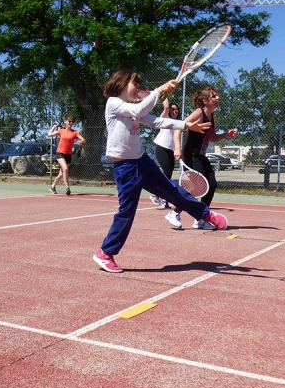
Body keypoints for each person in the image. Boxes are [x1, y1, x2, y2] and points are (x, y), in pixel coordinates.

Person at [93, 70, 228, 273]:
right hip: (126, 168)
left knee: (171, 189)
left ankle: (205, 214)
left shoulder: (132, 108)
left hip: (141, 161)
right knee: (127, 212)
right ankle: (105, 253)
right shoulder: (114, 103)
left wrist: (185, 124)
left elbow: (156, 121)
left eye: (140, 85)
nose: (138, 88)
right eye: (135, 84)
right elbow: (139, 110)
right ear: (121, 84)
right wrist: (159, 90)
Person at [169, 87, 238, 230]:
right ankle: (174, 213)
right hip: (191, 155)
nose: (218, 98)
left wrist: (226, 135)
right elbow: (178, 128)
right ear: (205, 101)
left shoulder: (212, 116)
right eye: (214, 96)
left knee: (211, 184)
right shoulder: (198, 113)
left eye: (217, 96)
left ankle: (200, 219)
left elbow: (212, 138)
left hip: (201, 156)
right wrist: (177, 148)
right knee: (196, 188)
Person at [150, 98, 181, 209]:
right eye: (172, 109)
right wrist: (164, 97)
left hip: (170, 150)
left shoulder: (179, 122)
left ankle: (163, 197)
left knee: (169, 173)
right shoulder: (165, 118)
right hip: (161, 147)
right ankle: (155, 193)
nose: (174, 111)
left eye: (176, 109)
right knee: (167, 172)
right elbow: (166, 108)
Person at [47, 115, 86, 195]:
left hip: (68, 154)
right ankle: (67, 188)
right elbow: (49, 134)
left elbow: (83, 139)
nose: (70, 123)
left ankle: (53, 186)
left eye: (72, 122)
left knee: (62, 173)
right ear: (66, 122)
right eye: (69, 121)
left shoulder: (75, 132)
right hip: (60, 153)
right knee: (65, 169)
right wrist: (54, 126)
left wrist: (80, 141)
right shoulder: (61, 131)